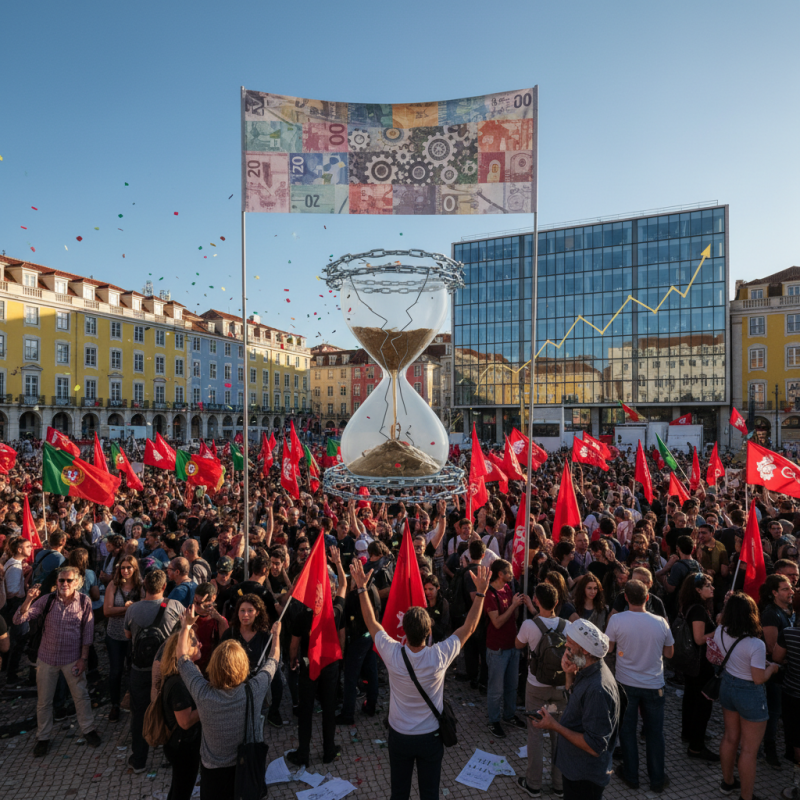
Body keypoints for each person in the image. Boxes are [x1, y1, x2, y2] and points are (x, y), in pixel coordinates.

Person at [350, 556, 491, 800]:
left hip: (399, 736)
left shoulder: (392, 653)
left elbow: (372, 622)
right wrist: (480, 594)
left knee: (399, 793)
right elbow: (468, 628)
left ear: (403, 631)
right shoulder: (439, 655)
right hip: (430, 737)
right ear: (429, 632)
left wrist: (362, 587)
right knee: (429, 794)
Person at [177, 605, 280, 800]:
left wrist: (186, 627)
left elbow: (182, 659)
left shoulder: (202, 692)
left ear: (213, 665)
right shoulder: (253, 690)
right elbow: (273, 660)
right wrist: (277, 636)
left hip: (213, 772)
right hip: (246, 767)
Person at [529, 618, 621, 800]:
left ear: (585, 650)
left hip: (584, 778)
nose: (566, 649)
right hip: (575, 770)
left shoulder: (598, 689)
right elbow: (578, 705)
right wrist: (569, 675)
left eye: (570, 646)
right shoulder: (589, 670)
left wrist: (554, 726)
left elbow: (595, 746)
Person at [14, 566, 101, 756]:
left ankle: (88, 729)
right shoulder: (47, 600)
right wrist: (29, 599)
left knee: (81, 696)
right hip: (47, 659)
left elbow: (87, 633)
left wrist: (83, 659)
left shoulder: (84, 601)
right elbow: (19, 619)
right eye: (61, 580)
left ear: (77, 583)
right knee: (44, 701)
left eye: (69, 581)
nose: (65, 584)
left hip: (72, 659)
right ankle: (43, 737)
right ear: (57, 582)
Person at [605, 579, 674, 792]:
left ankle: (631, 775)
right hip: (654, 684)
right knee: (655, 733)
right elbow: (670, 653)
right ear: (647, 597)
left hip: (626, 684)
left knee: (627, 730)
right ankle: (657, 779)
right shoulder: (661, 622)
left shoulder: (617, 620)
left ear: (626, 598)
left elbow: (608, 649)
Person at [287, 547, 347, 767]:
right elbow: (343, 585)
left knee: (306, 711)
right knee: (329, 709)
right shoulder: (336, 612)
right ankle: (328, 751)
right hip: (329, 665)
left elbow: (294, 645)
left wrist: (293, 661)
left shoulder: (302, 615)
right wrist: (338, 563)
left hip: (307, 665)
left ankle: (303, 755)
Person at [716, 592, 779, 800]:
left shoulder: (720, 631)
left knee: (730, 737)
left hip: (727, 685)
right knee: (749, 750)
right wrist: (772, 669)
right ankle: (746, 797)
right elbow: (758, 678)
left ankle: (728, 782)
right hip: (749, 692)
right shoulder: (756, 644)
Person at [124, 569, 185, 773]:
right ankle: (172, 756)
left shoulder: (132, 610)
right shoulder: (175, 606)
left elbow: (126, 635)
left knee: (139, 713)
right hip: (167, 670)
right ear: (164, 587)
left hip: (140, 670)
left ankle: (139, 759)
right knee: (171, 712)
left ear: (144, 587)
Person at [515, 582, 568, 797]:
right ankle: (559, 785)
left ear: (536, 600)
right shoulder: (568, 626)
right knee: (559, 735)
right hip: (560, 688)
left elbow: (518, 644)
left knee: (535, 734)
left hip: (536, 687)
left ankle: (533, 784)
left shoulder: (529, 625)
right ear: (557, 602)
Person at [484, 558, 526, 738]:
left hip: (512, 646)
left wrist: (516, 606)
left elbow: (513, 617)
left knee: (511, 685)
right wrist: (514, 606)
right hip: (498, 649)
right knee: (496, 689)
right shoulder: (490, 594)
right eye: (509, 572)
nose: (511, 575)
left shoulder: (508, 588)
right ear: (500, 574)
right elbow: (497, 622)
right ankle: (494, 721)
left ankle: (509, 715)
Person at [678, 573, 718, 761]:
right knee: (702, 704)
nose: (712, 588)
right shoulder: (698, 611)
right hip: (700, 664)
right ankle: (696, 746)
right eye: (708, 585)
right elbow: (699, 638)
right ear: (697, 590)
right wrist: (718, 630)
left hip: (691, 663)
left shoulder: (689, 606)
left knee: (691, 699)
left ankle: (689, 733)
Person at [160, 631, 202, 800]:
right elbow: (185, 722)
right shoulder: (179, 684)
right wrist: (209, 705)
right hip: (183, 747)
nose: (199, 644)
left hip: (184, 744)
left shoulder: (185, 675)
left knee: (180, 787)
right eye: (194, 643)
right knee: (182, 790)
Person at [759, 573, 794, 768]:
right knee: (774, 711)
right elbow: (772, 648)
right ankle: (769, 748)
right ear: (774, 593)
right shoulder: (771, 613)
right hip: (776, 672)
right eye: (785, 588)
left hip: (789, 671)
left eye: (790, 588)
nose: (791, 591)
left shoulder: (790, 610)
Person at [103, 554, 141, 721]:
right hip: (115, 635)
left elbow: (147, 606)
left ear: (134, 569)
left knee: (134, 670)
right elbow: (107, 611)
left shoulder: (140, 586)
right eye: (123, 567)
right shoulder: (114, 585)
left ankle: (133, 701)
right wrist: (128, 610)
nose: (125, 571)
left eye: (128, 567)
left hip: (134, 636)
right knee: (116, 671)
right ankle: (115, 704)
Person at [423, 575, 451, 644]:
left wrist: (430, 621)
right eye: (425, 589)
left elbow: (443, 628)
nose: (427, 592)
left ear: (437, 588)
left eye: (431, 589)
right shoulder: (424, 602)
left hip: (440, 641)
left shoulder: (443, 604)